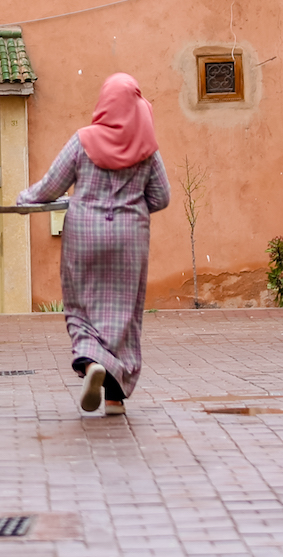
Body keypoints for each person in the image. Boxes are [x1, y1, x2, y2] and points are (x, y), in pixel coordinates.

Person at [18, 73, 170, 416]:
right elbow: (161, 196)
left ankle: (90, 364)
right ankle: (115, 398)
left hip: (84, 234)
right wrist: (131, 206)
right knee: (125, 313)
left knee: (81, 307)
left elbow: (51, 186)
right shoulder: (147, 148)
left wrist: (24, 199)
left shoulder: (83, 141)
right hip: (130, 238)